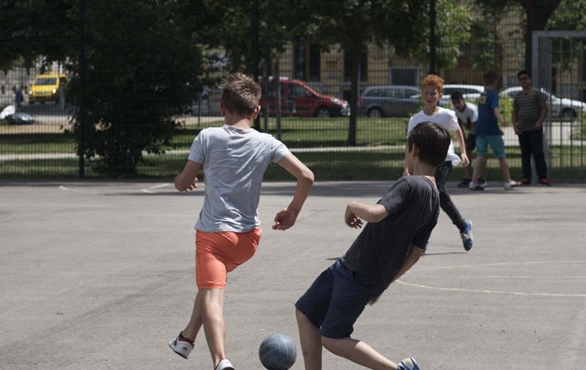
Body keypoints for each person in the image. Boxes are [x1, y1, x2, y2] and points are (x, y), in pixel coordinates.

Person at [168, 73, 315, 370]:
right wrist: (292, 211)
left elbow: (182, 183)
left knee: (213, 296)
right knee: (212, 285)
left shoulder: (208, 137)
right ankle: (186, 337)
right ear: (257, 110)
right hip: (248, 240)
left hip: (213, 236)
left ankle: (221, 361)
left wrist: (187, 179)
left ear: (223, 108)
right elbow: (307, 176)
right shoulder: (267, 142)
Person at [295, 121, 450, 370]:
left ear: (414, 150)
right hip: (352, 267)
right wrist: (387, 282)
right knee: (305, 312)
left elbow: (376, 213)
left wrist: (352, 205)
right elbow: (417, 252)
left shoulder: (409, 184)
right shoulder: (434, 198)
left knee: (333, 338)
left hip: (358, 273)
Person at [407, 74, 473, 251]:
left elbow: (458, 132)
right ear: (422, 95)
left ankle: (422, 238)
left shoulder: (447, 115)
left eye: (433, 94)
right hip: (423, 164)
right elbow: (410, 146)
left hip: (443, 161)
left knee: (435, 193)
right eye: (427, 93)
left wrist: (463, 153)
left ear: (440, 96)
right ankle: (463, 226)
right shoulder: (416, 120)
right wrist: (408, 167)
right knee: (432, 198)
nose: (430, 97)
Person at [469, 70, 520, 191]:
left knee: (480, 155)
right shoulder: (493, 94)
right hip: (492, 130)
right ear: (495, 81)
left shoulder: (482, 95)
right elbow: (494, 109)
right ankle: (508, 181)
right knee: (501, 155)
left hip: (480, 130)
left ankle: (473, 181)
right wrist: (502, 121)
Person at [512, 70, 550, 186]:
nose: (524, 81)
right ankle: (526, 178)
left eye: (525, 78)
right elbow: (514, 112)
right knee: (525, 155)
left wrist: (539, 122)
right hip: (523, 129)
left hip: (535, 128)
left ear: (530, 79)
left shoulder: (536, 93)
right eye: (521, 79)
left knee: (538, 153)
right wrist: (515, 127)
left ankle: (542, 177)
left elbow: (544, 108)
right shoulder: (518, 96)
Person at [450, 91, 480, 188]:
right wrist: (464, 140)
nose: (457, 105)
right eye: (454, 102)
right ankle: (468, 177)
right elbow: (458, 127)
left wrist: (468, 141)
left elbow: (473, 125)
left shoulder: (471, 109)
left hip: (480, 130)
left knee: (479, 153)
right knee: (467, 152)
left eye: (459, 101)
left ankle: (479, 177)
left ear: (463, 100)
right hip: (471, 130)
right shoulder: (454, 111)